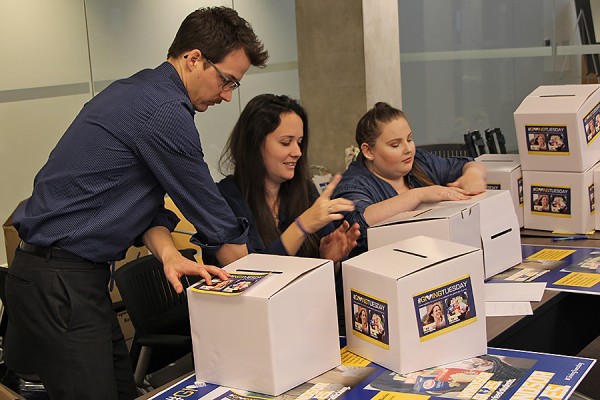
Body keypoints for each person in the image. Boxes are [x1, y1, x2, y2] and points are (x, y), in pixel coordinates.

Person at [5, 7, 268, 400]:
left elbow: (144, 209)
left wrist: (168, 255)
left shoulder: (140, 92)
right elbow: (216, 221)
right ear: (194, 58)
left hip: (67, 277)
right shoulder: (164, 113)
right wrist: (263, 285)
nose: (228, 95)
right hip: (60, 280)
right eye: (226, 80)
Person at [208, 94, 360, 265]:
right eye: (286, 142)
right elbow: (253, 277)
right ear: (254, 144)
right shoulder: (224, 200)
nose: (297, 152)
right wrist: (301, 226)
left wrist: (330, 261)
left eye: (299, 142)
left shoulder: (305, 191)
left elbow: (328, 282)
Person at [332, 102, 487, 256]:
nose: (408, 149)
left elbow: (467, 163)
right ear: (368, 151)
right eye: (395, 145)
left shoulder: (420, 161)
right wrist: (418, 195)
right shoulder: (353, 184)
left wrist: (473, 175)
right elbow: (359, 222)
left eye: (410, 139)